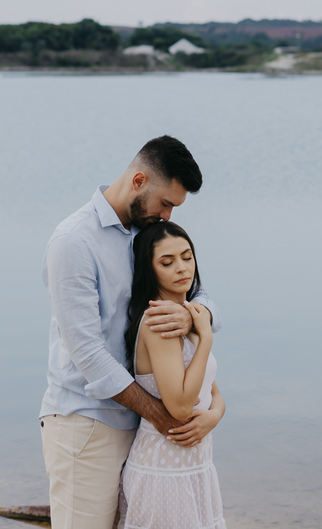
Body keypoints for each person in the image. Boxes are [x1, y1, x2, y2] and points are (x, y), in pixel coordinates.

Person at [40, 136, 223, 529]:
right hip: (87, 424)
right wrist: (160, 414)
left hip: (141, 430)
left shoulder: (147, 232)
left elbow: (197, 291)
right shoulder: (74, 241)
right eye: (167, 203)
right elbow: (87, 353)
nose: (169, 215)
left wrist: (195, 318)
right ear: (139, 181)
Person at [118, 221, 226, 529]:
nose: (182, 268)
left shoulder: (188, 315)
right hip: (164, 469)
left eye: (187, 257)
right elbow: (179, 407)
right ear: (149, 270)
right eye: (167, 262)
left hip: (195, 464)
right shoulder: (159, 322)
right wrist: (206, 339)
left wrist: (215, 415)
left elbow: (211, 392)